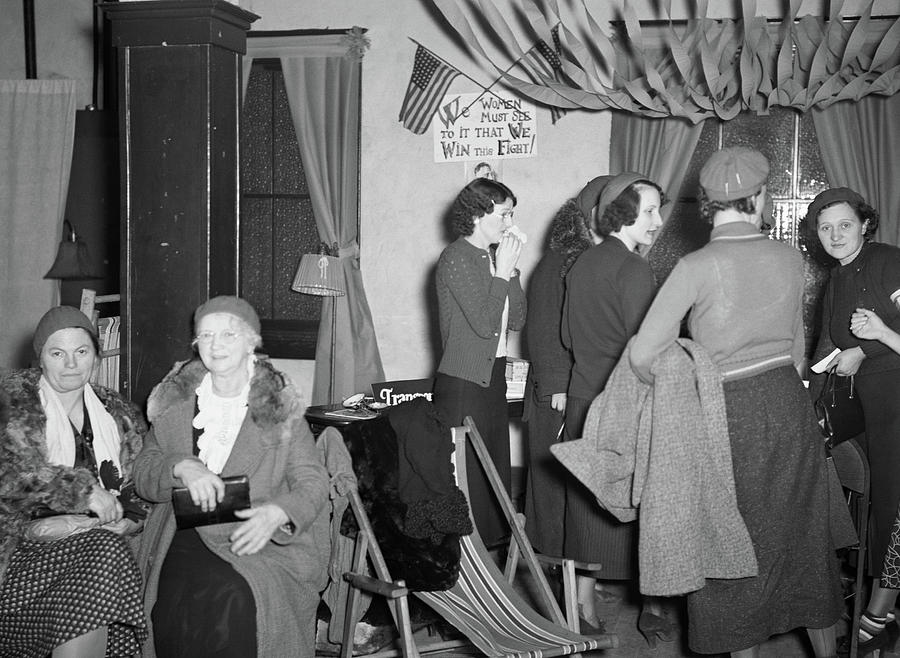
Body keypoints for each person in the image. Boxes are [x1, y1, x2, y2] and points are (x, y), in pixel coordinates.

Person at [630, 147, 843, 657]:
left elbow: (642, 355)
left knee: (730, 541)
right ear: (760, 197)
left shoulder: (695, 266)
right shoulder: (789, 257)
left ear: (707, 204)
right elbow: (795, 351)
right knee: (802, 536)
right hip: (788, 407)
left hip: (726, 412)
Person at [133, 296, 330, 658]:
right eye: (205, 336)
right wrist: (179, 465)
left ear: (250, 342)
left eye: (228, 334)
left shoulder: (279, 407)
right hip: (183, 532)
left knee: (232, 597)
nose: (216, 345)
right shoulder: (173, 403)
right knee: (173, 602)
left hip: (258, 538)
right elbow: (144, 474)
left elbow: (312, 481)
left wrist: (279, 513)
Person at [0, 306, 148, 658]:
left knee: (104, 552)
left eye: (81, 352)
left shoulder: (118, 413)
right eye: (57, 353)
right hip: (21, 559)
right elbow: (10, 477)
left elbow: (138, 486)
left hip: (95, 556)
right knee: (104, 556)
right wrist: (83, 492)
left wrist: (130, 520)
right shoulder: (12, 400)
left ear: (96, 357)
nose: (71, 364)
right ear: (41, 358)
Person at [561, 172, 666, 634]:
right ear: (622, 214)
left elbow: (566, 336)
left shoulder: (581, 264)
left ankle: (581, 606)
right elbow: (647, 350)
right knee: (643, 504)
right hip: (624, 403)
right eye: (648, 211)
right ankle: (656, 606)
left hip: (584, 399)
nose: (658, 220)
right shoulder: (636, 268)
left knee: (587, 503)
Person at [807, 186, 900, 653]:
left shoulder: (890, 261)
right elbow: (826, 343)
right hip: (865, 407)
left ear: (865, 224)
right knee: (867, 501)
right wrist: (808, 400)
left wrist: (869, 344)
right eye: (825, 227)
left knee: (894, 504)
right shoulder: (836, 277)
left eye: (845, 224)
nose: (835, 234)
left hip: (897, 399)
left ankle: (878, 612)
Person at [433, 177, 526, 550]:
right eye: (505, 214)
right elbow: (487, 325)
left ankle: (491, 580)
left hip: (493, 381)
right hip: (463, 385)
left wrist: (512, 271)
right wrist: (502, 272)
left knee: (493, 484)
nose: (510, 222)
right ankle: (462, 579)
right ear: (479, 213)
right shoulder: (455, 258)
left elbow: (516, 319)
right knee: (467, 484)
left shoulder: (492, 258)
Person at [522, 192, 595, 558]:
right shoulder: (564, 263)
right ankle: (555, 579)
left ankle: (566, 574)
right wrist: (557, 387)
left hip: (567, 386)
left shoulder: (574, 260)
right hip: (558, 391)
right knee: (555, 492)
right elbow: (543, 330)